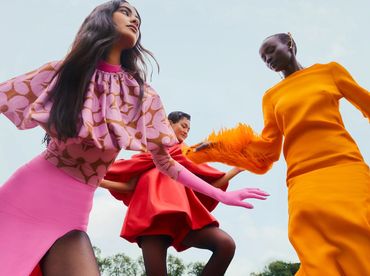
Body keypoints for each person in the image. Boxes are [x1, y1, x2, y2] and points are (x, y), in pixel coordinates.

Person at [0, 1, 269, 275]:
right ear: (103, 19)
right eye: (125, 12)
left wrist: (220, 196)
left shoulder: (142, 94)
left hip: (73, 212)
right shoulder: (67, 72)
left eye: (137, 17)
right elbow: (4, 96)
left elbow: (166, 163)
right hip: (27, 194)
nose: (134, 20)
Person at [184, 32, 370, 275]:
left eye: (271, 51)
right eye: (263, 58)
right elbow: (267, 149)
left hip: (345, 167)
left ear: (290, 44)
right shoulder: (271, 97)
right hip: (303, 178)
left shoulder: (329, 71)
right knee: (311, 238)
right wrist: (216, 147)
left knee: (360, 230)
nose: (268, 59)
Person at [102, 111, 244, 276]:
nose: (186, 131)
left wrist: (236, 170)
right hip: (152, 223)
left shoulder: (185, 155)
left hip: (182, 222)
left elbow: (209, 186)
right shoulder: (148, 155)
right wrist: (96, 181)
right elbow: (128, 186)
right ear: (168, 123)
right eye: (183, 126)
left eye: (188, 130)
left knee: (225, 245)